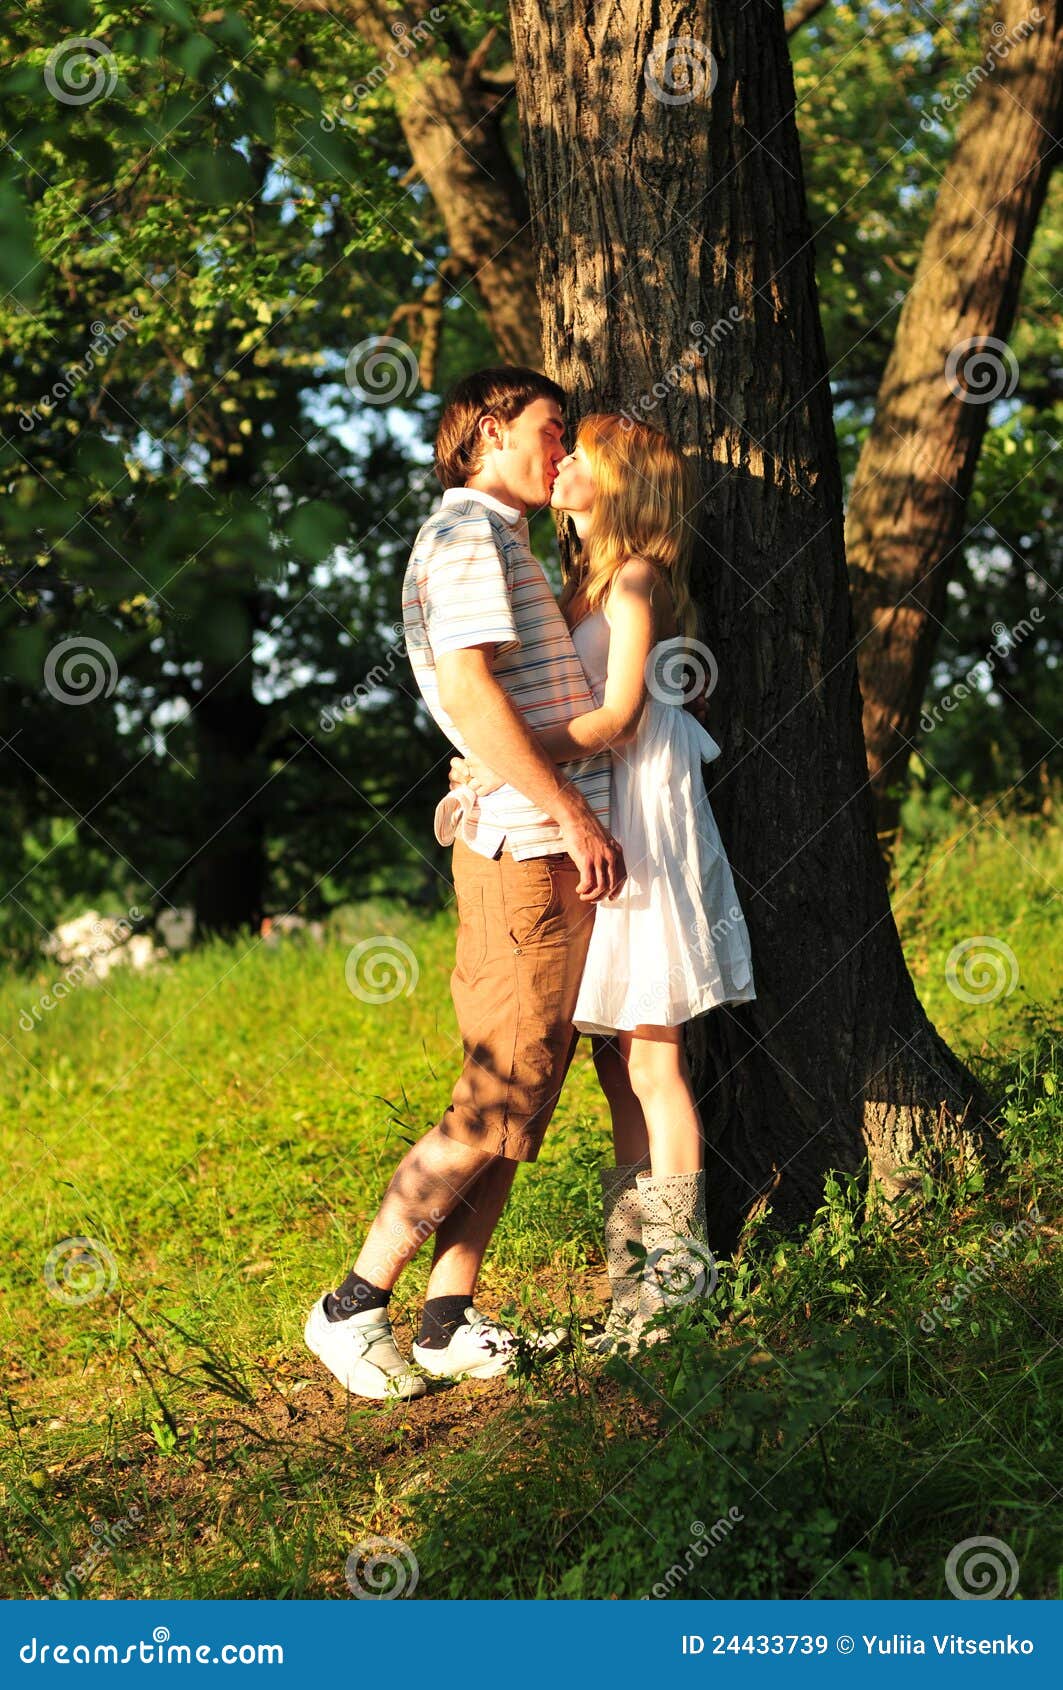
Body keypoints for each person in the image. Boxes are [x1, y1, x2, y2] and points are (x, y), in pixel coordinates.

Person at [303, 367, 627, 1401]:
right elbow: (468, 688)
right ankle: (352, 1303)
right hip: (522, 848)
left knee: (525, 1094)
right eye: (546, 427)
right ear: (487, 434)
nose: (561, 446)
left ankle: (447, 1316)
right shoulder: (469, 535)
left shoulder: (498, 539)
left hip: (544, 845)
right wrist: (571, 810)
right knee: (492, 1096)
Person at [450, 414, 756, 1352]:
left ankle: (674, 1287)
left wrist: (499, 760)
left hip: (645, 830)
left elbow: (621, 716)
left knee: (654, 1064)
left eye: (579, 455)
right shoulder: (581, 580)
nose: (561, 463)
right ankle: (636, 1289)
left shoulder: (635, 579)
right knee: (616, 1069)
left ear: (619, 483)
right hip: (602, 826)